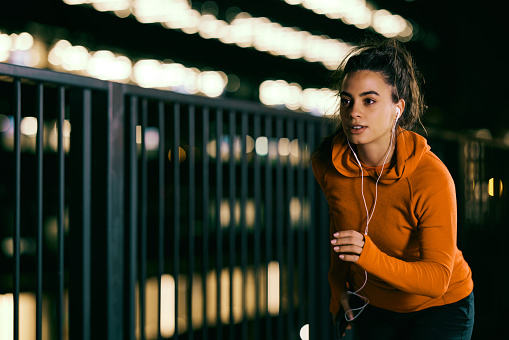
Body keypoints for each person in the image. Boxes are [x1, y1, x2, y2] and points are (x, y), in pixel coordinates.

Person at [311, 38, 474, 340]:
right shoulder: (327, 164)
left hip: (440, 307)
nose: (353, 112)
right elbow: (340, 230)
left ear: (397, 108)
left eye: (369, 100)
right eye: (347, 100)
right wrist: (338, 290)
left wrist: (368, 256)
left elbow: (438, 278)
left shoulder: (430, 176)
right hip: (375, 303)